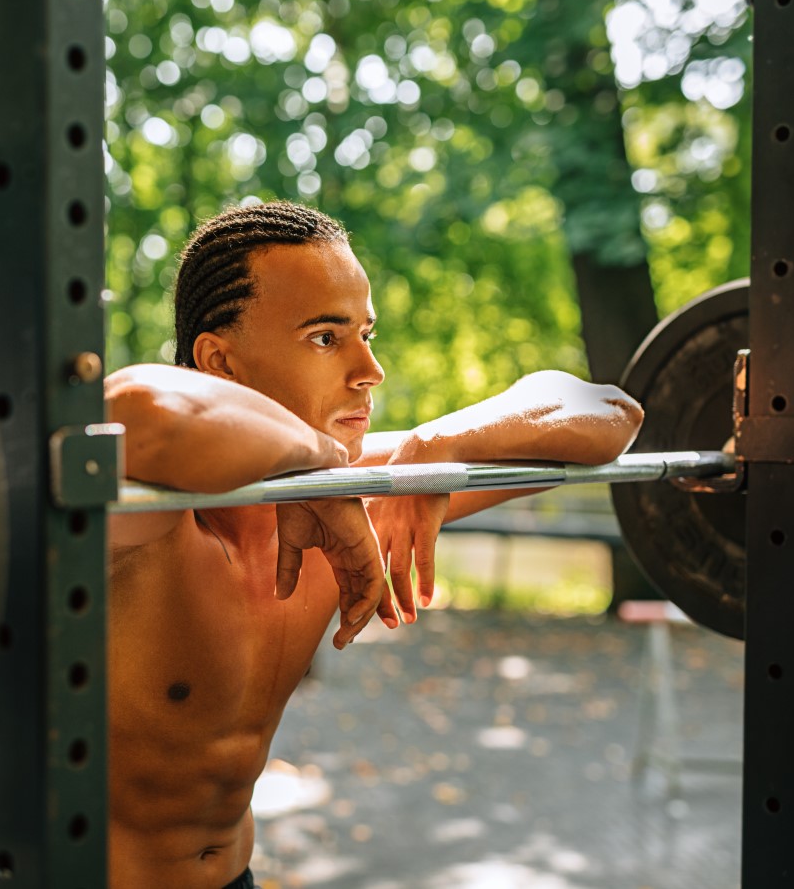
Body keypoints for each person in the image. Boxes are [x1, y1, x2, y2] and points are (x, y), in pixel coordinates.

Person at [105, 201, 643, 888]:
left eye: (366, 332)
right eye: (326, 338)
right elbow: (142, 413)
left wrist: (439, 443)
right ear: (221, 360)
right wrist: (313, 470)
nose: (370, 369)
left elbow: (608, 412)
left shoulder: (369, 484)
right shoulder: (144, 518)